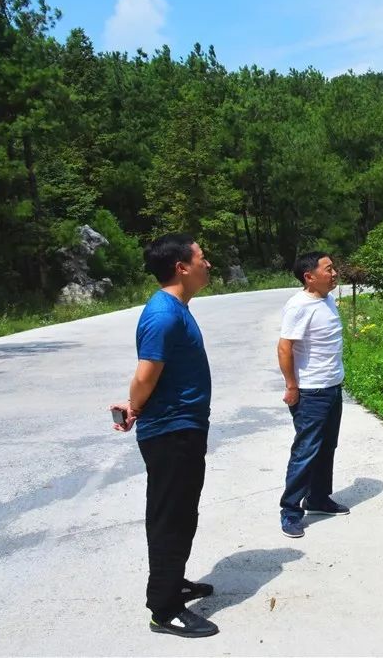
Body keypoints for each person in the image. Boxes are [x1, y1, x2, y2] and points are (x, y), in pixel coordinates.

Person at [110, 233, 219, 638]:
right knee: (170, 518)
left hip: (183, 428)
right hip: (170, 432)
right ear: (182, 267)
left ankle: (174, 583)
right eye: (202, 258)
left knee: (182, 513)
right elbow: (145, 374)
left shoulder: (177, 308)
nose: (208, 264)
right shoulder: (163, 314)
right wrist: (134, 407)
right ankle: (164, 607)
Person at [277, 251, 348, 539]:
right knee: (306, 451)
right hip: (311, 392)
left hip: (332, 387)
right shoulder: (298, 306)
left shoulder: (327, 299)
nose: (334, 274)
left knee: (327, 446)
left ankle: (318, 498)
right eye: (328, 269)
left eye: (334, 268)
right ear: (310, 277)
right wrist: (292, 386)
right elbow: (284, 348)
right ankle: (290, 511)